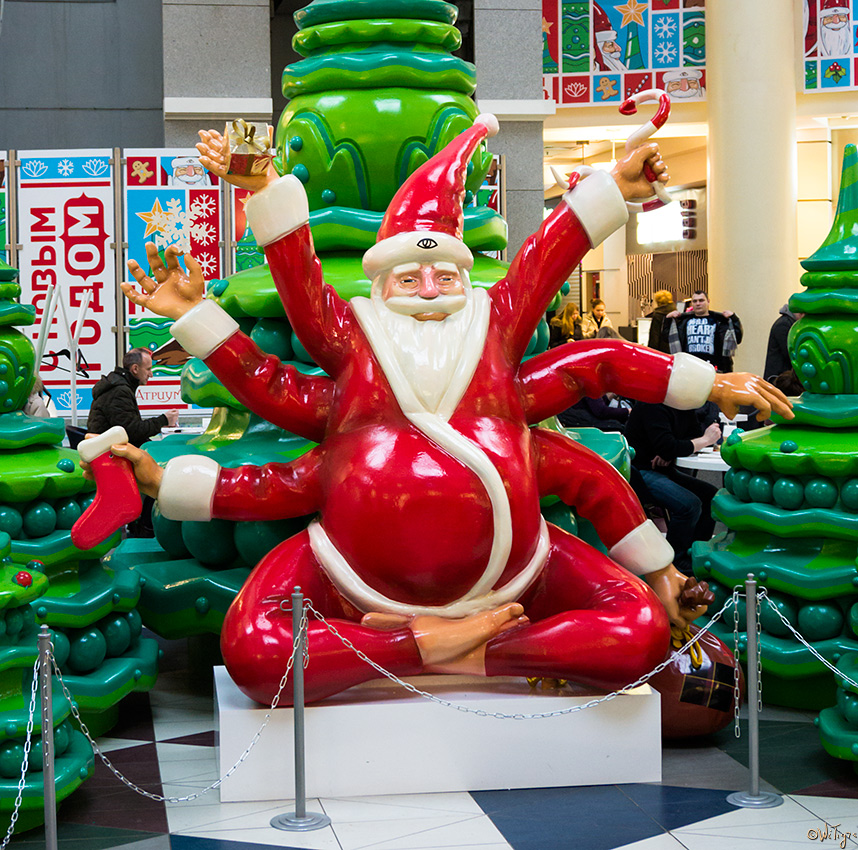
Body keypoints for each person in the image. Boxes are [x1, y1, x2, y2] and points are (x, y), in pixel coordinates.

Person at [108, 118, 792, 707]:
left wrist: (704, 382)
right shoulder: (348, 348)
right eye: (409, 278)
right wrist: (253, 208)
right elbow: (268, 372)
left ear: (467, 280)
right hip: (347, 571)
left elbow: (579, 327)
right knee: (253, 649)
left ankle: (476, 654)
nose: (430, 290)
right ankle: (421, 645)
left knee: (638, 630)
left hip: (518, 575)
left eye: (445, 277)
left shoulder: (498, 336)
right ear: (381, 284)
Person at [625, 401, 722, 574]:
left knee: (711, 496)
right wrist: (701, 441)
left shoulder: (684, 404)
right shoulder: (652, 404)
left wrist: (672, 450)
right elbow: (676, 444)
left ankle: (695, 551)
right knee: (688, 505)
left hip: (661, 468)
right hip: (639, 471)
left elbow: (690, 436)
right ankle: (675, 562)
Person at [87, 348, 179, 447]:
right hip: (110, 453)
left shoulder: (120, 386)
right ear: (135, 369)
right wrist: (164, 420)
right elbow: (132, 432)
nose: (151, 374)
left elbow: (131, 428)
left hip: (110, 447)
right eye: (148, 369)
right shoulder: (118, 391)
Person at [665, 290, 743, 372]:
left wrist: (734, 318)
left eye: (701, 300)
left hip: (715, 370)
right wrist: (668, 319)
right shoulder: (683, 322)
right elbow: (667, 337)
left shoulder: (720, 321)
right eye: (695, 301)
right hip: (689, 369)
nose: (698, 304)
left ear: (708, 301)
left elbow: (737, 338)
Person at [764, 304, 802, 382]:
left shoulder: (787, 323)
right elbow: (789, 351)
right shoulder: (784, 324)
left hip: (781, 375)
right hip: (779, 376)